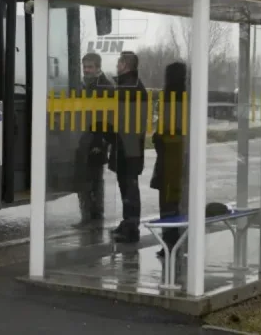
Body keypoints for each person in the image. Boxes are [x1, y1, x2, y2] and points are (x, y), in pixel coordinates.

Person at [109, 51, 148, 243]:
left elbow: (121, 118)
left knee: (129, 187)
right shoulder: (129, 85)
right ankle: (128, 223)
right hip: (128, 145)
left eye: (119, 62)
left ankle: (131, 228)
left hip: (128, 146)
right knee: (126, 186)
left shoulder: (130, 88)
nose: (117, 65)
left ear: (125, 64)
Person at [72, 52, 114, 229]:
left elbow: (108, 118)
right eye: (85, 67)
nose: (86, 70)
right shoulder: (83, 86)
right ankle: (89, 215)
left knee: (93, 178)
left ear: (98, 68)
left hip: (97, 139)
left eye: (90, 67)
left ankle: (93, 216)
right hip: (83, 138)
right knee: (84, 177)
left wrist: (101, 141)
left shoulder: (106, 88)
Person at [150, 62, 187, 259]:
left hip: (168, 158)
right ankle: (177, 241)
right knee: (178, 200)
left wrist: (158, 138)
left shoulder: (168, 99)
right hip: (180, 157)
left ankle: (169, 241)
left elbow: (164, 131)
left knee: (167, 202)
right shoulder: (188, 98)